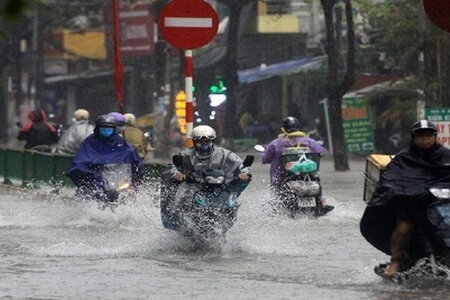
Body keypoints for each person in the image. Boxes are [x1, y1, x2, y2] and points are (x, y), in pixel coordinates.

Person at [360, 120, 450, 279]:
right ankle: (396, 261)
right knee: (403, 228)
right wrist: (409, 191)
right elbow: (391, 180)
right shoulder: (404, 158)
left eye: (429, 135)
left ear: (435, 137)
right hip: (414, 207)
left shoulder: (446, 156)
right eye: (420, 136)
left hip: (441, 205)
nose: (425, 139)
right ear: (413, 138)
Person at [160, 125, 252, 229]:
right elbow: (171, 168)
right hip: (194, 187)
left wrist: (244, 173)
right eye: (200, 142)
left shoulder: (224, 154)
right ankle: (183, 223)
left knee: (232, 200)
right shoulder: (186, 155)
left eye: (207, 141)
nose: (204, 145)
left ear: (212, 141)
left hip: (219, 187)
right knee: (184, 199)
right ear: (194, 142)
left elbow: (241, 165)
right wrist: (178, 175)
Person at [66, 114, 144, 200]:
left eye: (109, 128)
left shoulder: (122, 143)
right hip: (95, 184)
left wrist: (136, 183)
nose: (106, 130)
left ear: (114, 129)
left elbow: (135, 161)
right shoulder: (90, 142)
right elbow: (80, 163)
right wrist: (90, 178)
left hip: (118, 182)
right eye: (103, 128)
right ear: (98, 128)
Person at [261, 116, 331, 210]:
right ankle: (323, 203)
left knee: (276, 196)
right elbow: (322, 153)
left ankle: (277, 206)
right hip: (308, 175)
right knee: (316, 182)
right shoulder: (309, 141)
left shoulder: (276, 143)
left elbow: (266, 159)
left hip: (281, 177)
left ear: (283, 128)